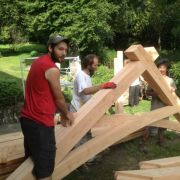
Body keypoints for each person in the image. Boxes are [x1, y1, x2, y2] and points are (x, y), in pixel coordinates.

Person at [20, 35, 75, 180]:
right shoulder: (52, 69)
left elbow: (45, 92)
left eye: (66, 50)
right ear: (50, 48)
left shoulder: (39, 61)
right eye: (60, 49)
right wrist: (67, 113)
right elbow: (59, 98)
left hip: (27, 120)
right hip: (40, 125)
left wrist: (61, 114)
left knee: (33, 163)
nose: (64, 53)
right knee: (45, 172)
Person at [140, 58, 176, 153]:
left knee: (163, 126)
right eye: (159, 67)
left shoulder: (170, 80)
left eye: (163, 67)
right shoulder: (153, 80)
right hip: (156, 106)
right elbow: (147, 93)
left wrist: (172, 91)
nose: (161, 69)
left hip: (166, 107)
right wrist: (155, 94)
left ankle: (161, 142)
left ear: (166, 68)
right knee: (150, 125)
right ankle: (143, 144)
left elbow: (173, 94)